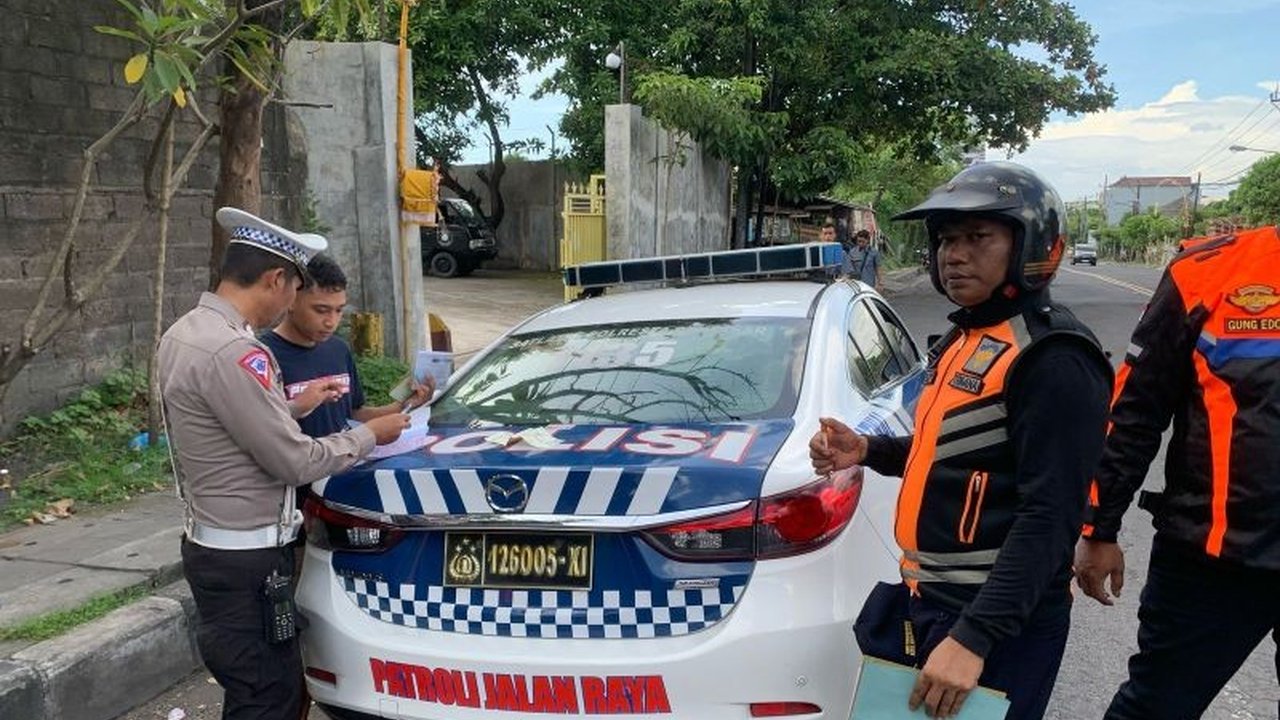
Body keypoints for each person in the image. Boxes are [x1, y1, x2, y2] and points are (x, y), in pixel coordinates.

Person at [810, 162, 1112, 719]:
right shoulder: (966, 335)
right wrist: (870, 452)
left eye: (978, 237)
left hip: (993, 619)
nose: (954, 254)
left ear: (1033, 245)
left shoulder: (1053, 357)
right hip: (931, 600)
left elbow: (1050, 517)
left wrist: (975, 637)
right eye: (947, 238)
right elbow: (953, 452)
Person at [158, 207, 411, 720]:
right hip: (246, 560)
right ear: (276, 279)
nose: (293, 301)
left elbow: (222, 420)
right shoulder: (235, 351)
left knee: (254, 686)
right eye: (295, 289)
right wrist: (367, 435)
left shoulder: (185, 332)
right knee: (265, 696)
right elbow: (295, 462)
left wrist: (292, 408)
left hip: (213, 544)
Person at [1074, 224, 1280, 720]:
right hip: (1213, 561)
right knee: (1155, 709)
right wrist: (1098, 527)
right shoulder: (1207, 271)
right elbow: (1136, 411)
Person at [261, 252, 434, 441]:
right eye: (321, 310)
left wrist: (404, 405)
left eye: (339, 310)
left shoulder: (338, 349)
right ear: (291, 300)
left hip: (346, 464)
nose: (331, 322)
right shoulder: (263, 357)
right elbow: (261, 429)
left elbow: (353, 414)